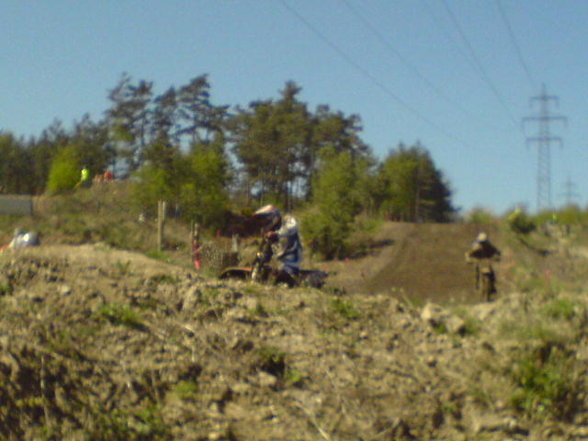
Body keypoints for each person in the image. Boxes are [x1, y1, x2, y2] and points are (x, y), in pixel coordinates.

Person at [254, 205, 303, 286]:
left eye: (266, 219)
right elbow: (266, 250)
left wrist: (277, 234)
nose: (264, 222)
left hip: (292, 258)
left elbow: (291, 228)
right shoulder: (272, 230)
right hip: (281, 260)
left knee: (286, 281)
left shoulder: (287, 220)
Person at [465, 232, 501, 300]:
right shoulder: (476, 247)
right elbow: (468, 253)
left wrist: (497, 257)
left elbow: (497, 251)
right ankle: (476, 286)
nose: (483, 244)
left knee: (492, 274)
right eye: (482, 242)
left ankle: (493, 287)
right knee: (476, 274)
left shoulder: (489, 246)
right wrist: (468, 259)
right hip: (479, 261)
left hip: (486, 262)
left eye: (484, 242)